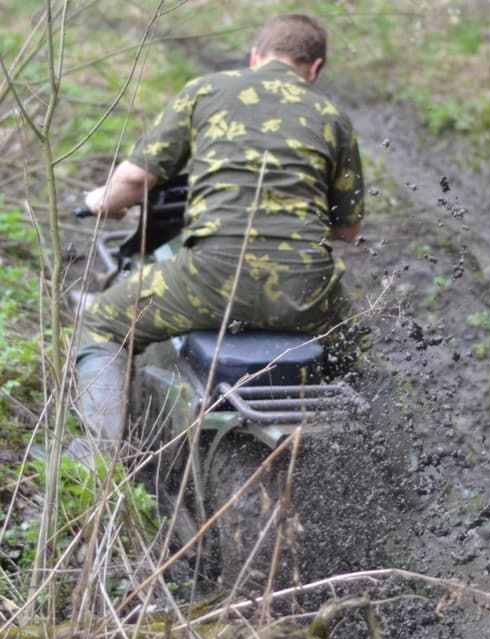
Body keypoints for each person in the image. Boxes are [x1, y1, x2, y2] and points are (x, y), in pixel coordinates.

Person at [75, 13, 364, 447]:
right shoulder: (332, 117)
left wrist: (100, 202)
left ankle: (97, 460)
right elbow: (348, 231)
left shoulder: (206, 91)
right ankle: (361, 449)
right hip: (307, 292)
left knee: (103, 325)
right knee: (356, 348)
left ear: (255, 57)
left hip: (210, 280)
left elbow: (134, 182)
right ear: (315, 69)